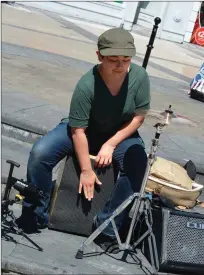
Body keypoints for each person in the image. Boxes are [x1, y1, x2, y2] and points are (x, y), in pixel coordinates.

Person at [16, 28, 151, 251]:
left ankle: (107, 226)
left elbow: (138, 117)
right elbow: (78, 131)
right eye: (113, 59)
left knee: (137, 162)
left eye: (126, 59)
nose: (120, 65)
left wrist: (111, 144)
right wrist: (86, 170)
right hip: (83, 130)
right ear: (99, 56)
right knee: (41, 153)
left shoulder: (140, 77)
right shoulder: (86, 84)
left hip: (120, 133)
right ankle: (36, 212)